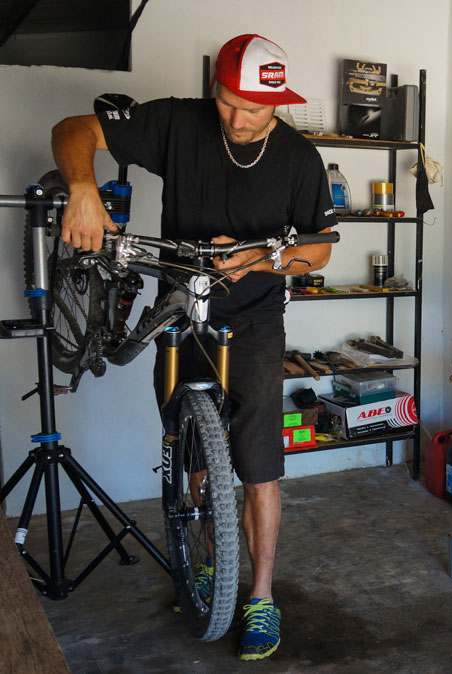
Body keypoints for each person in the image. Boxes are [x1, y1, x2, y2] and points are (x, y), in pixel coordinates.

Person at [50, 34, 336, 661]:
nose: (237, 119)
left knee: (258, 467)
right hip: (180, 311)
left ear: (279, 101)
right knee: (193, 450)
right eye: (228, 102)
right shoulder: (180, 123)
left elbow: (318, 250)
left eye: (253, 108)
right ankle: (209, 559)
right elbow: (73, 129)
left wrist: (258, 259)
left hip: (255, 323)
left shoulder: (299, 158)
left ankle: (260, 596)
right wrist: (83, 188)